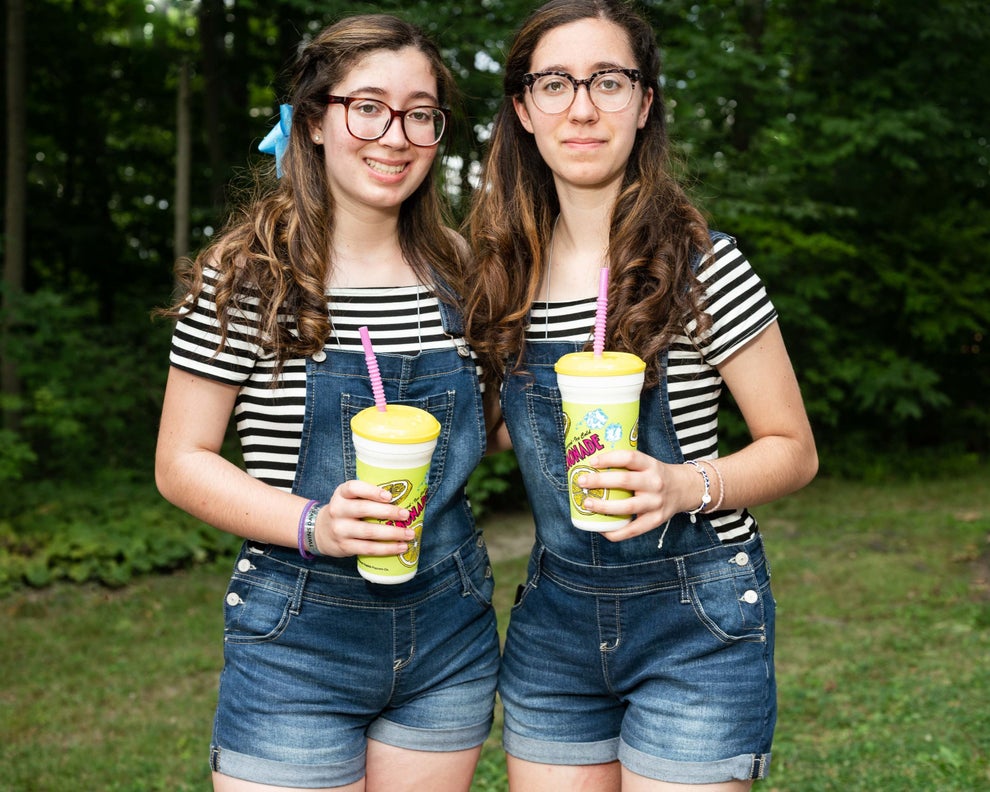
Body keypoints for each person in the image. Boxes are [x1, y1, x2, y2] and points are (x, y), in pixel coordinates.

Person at [464, 1, 818, 790]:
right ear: (523, 107)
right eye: (555, 83)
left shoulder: (704, 266)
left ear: (645, 102)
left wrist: (685, 483)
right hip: (554, 618)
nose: (583, 106)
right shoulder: (499, 275)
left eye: (609, 81)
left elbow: (794, 450)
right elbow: (503, 430)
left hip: (695, 614)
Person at [155, 14, 499, 792]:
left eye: (420, 112)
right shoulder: (249, 277)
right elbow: (180, 462)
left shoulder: (468, 276)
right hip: (296, 638)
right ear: (315, 119)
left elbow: (491, 429)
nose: (397, 133)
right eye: (367, 105)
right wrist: (314, 523)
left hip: (450, 627)